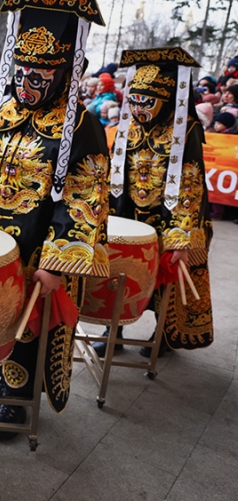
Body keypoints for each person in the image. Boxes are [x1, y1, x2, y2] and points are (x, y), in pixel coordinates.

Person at [0, 0, 109, 437]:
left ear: (67, 73)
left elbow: (86, 198)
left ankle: (17, 397)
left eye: (40, 76)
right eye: (21, 72)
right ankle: (2, 379)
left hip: (39, 250)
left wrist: (59, 261)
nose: (27, 85)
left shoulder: (83, 127)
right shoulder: (1, 114)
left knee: (30, 326)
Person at [106, 47, 214, 358]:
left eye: (147, 102)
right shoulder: (128, 127)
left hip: (171, 216)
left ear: (167, 100)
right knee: (118, 273)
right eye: (134, 101)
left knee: (168, 277)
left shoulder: (187, 129)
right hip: (130, 214)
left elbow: (190, 182)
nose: (139, 110)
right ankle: (113, 328)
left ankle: (164, 331)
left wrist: (181, 233)